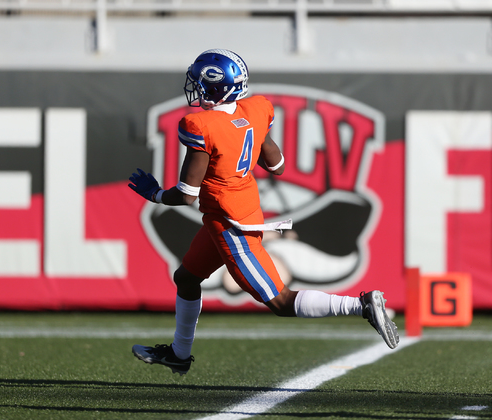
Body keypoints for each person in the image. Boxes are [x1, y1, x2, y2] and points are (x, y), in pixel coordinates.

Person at [128, 49, 399, 376]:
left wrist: (155, 193)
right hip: (235, 212)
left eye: (200, 83)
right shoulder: (255, 109)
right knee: (186, 277)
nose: (195, 89)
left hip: (230, 224)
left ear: (217, 87)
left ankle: (361, 304)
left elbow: (186, 195)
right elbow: (277, 164)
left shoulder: (200, 125)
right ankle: (179, 354)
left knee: (281, 302)